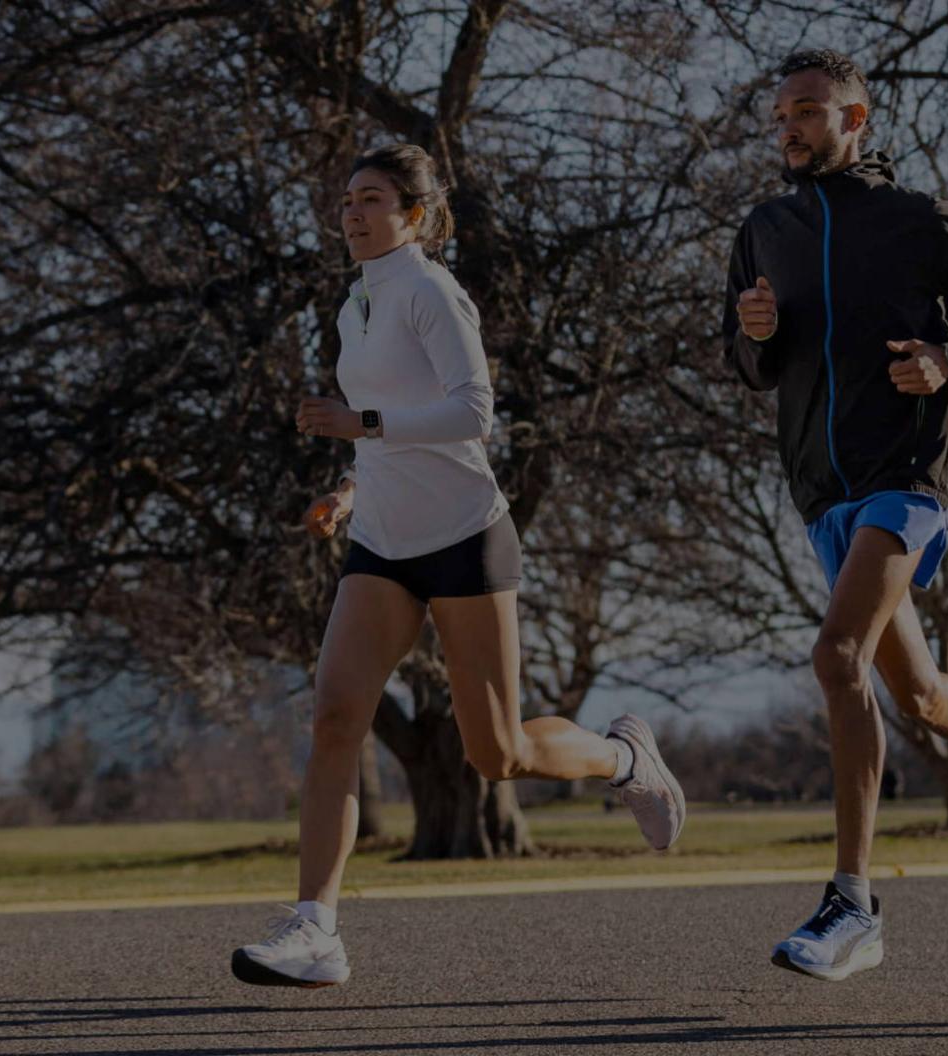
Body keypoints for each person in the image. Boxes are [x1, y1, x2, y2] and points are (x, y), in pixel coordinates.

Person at [231, 143, 685, 989]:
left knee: (499, 756)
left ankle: (625, 760)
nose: (352, 213)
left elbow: (473, 412)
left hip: (465, 538)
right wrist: (351, 493)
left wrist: (359, 424)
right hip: (384, 546)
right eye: (345, 201)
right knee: (335, 717)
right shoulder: (354, 303)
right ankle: (315, 930)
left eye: (371, 199)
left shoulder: (433, 292)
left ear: (414, 214)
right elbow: (392, 425)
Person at [724, 49, 948, 982]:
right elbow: (750, 364)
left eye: (807, 110)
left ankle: (853, 903)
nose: (790, 127)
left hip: (905, 475)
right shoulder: (765, 229)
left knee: (835, 656)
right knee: (918, 695)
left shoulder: (914, 221)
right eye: (781, 116)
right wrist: (756, 337)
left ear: (856, 119)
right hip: (820, 489)